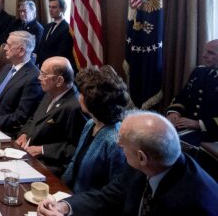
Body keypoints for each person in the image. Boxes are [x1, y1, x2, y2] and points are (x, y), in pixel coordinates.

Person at [38, 111, 218, 216]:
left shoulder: (194, 203)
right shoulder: (146, 166)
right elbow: (108, 196)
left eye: (122, 144)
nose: (118, 145)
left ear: (142, 157)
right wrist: (65, 206)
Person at [60, 65, 129, 193]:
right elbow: (74, 163)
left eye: (80, 94)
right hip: (70, 198)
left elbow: (115, 190)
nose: (78, 96)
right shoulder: (90, 124)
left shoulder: (115, 140)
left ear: (93, 101)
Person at [15, 56, 87, 174]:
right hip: (27, 153)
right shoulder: (50, 92)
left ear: (59, 81)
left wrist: (42, 150)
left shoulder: (75, 107)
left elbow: (76, 148)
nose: (39, 78)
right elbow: (34, 118)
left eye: (44, 74)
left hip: (48, 164)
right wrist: (25, 134)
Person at [0, 30, 43, 137]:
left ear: (21, 51)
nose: (4, 48)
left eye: (9, 46)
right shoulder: (7, 68)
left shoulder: (33, 78)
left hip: (3, 130)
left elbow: (22, 115)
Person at [165, 38, 218, 145]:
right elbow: (183, 96)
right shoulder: (199, 72)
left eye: (211, 53)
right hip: (186, 126)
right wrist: (174, 112)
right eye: (205, 51)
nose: (204, 55)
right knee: (151, 135)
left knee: (168, 146)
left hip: (210, 132)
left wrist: (199, 124)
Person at [35, 0, 75, 69]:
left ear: (62, 9)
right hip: (43, 67)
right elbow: (42, 47)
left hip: (56, 67)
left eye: (54, 7)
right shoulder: (47, 26)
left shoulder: (67, 28)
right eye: (49, 7)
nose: (50, 10)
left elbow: (62, 52)